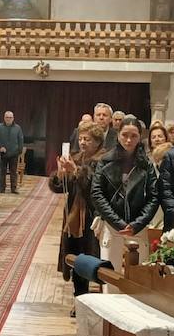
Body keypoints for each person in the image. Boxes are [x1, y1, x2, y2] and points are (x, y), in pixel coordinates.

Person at [91, 117, 159, 288]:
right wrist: (118, 222)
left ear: (140, 137)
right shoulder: (105, 161)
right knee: (109, 279)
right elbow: (97, 194)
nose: (129, 140)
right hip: (113, 225)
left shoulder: (146, 165)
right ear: (118, 135)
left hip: (138, 226)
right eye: (125, 135)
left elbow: (154, 197)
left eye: (134, 136)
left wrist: (137, 224)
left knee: (140, 281)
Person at [52, 121, 105, 313]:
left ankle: (99, 303)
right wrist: (60, 174)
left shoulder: (103, 159)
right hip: (74, 215)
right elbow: (60, 188)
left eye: (87, 139)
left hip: (93, 215)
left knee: (95, 258)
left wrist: (75, 171)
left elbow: (93, 186)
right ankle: (79, 301)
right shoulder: (75, 157)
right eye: (81, 139)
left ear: (97, 141)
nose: (82, 143)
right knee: (77, 259)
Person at [0, 111, 25, 195]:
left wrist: (19, 151)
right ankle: (1, 188)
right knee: (1, 171)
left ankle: (14, 188)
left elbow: (20, 140)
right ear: (4, 118)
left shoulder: (18, 128)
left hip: (14, 154)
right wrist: (0, 147)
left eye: (10, 118)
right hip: (3, 153)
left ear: (13, 118)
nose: (8, 119)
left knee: (13, 172)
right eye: (7, 117)